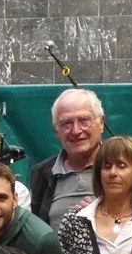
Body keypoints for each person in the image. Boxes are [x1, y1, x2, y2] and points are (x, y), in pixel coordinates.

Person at [28, 88, 106, 227]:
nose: (76, 131)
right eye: (67, 123)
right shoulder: (42, 174)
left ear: (101, 123)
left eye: (83, 120)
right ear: (57, 130)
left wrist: (109, 212)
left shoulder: (123, 168)